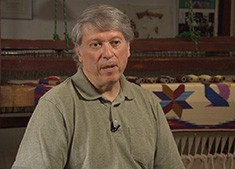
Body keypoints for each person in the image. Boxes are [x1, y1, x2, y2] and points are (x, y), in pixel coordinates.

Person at [12, 4, 185, 169]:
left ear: (128, 48)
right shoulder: (56, 106)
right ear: (79, 52)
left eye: (115, 42)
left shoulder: (148, 103)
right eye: (96, 44)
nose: (108, 54)